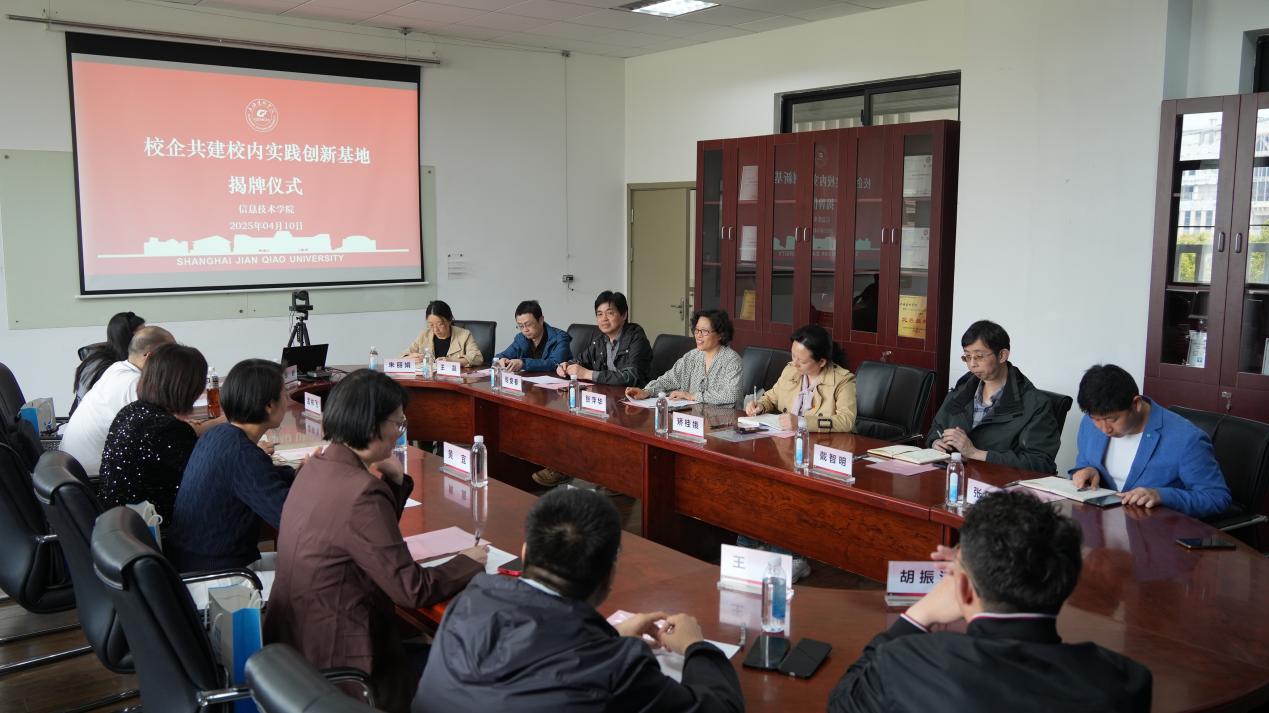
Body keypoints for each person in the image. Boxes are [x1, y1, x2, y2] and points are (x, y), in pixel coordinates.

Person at [263, 369, 487, 713]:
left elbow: (365, 537)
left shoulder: (315, 467)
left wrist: (395, 482)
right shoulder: (361, 492)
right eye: (398, 423)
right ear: (372, 426)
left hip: (297, 648)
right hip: (344, 666)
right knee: (468, 675)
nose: (400, 432)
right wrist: (469, 561)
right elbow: (412, 590)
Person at [412, 487, 743, 713]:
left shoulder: (473, 599)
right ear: (609, 576)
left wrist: (609, 637)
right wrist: (697, 647)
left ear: (525, 553)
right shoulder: (616, 666)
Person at [827, 490, 1153, 713]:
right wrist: (971, 569)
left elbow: (843, 701)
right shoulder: (1126, 682)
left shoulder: (907, 663)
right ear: (1065, 581)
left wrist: (919, 614)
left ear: (964, 589)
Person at [167, 359, 296, 573]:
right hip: (218, 575)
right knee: (319, 575)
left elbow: (261, 478)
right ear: (269, 405)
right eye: (284, 394)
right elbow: (291, 519)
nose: (288, 400)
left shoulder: (219, 434)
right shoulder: (242, 453)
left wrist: (299, 474)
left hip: (194, 561)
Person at [1069, 364, 1231, 518]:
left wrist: (1161, 496)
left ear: (1136, 404)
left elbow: (1216, 498)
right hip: (1100, 525)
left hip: (1154, 530)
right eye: (1096, 419)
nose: (1104, 429)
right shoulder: (1089, 423)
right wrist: (1086, 470)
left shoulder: (1186, 439)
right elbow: (1083, 464)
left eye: (1112, 419)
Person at [924, 320, 1061, 473]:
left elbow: (1041, 463)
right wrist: (935, 442)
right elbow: (936, 429)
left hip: (1001, 483)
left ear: (1002, 355)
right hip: (956, 476)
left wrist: (975, 453)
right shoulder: (962, 390)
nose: (972, 364)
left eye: (979, 356)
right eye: (967, 357)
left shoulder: (1035, 404)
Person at [97, 343, 207, 524]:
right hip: (154, 526)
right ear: (189, 388)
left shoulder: (131, 411)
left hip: (118, 526)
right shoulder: (168, 429)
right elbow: (208, 479)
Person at [60, 326, 173, 476]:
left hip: (70, 467)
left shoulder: (116, 369)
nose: (174, 361)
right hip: (94, 477)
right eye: (171, 355)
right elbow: (163, 434)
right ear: (149, 356)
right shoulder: (134, 384)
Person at [745, 324, 857, 433]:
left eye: (802, 361)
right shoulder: (791, 370)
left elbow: (846, 421)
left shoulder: (843, 381)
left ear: (822, 362)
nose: (795, 363)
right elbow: (771, 398)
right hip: (788, 438)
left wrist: (803, 422)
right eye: (793, 356)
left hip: (825, 442)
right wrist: (760, 405)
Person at [625, 309, 743, 406]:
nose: (698, 335)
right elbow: (669, 379)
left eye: (704, 331)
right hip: (693, 416)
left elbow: (731, 394)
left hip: (723, 420)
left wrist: (692, 396)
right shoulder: (692, 356)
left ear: (720, 335)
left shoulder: (731, 360)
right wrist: (647, 391)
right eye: (697, 330)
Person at [556, 290, 652, 387]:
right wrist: (566, 366)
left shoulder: (636, 338)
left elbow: (632, 377)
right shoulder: (600, 340)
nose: (604, 319)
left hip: (634, 394)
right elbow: (581, 360)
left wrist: (587, 374)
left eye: (610, 313)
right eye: (600, 314)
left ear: (624, 315)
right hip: (607, 393)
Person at [70, 311, 145, 414]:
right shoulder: (106, 367)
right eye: (142, 334)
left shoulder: (111, 355)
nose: (147, 338)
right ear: (127, 337)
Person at [492, 300, 571, 373]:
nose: (525, 330)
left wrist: (523, 363)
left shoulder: (560, 338)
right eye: (521, 326)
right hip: (529, 382)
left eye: (528, 325)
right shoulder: (521, 338)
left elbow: (555, 363)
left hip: (556, 382)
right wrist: (501, 360)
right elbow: (500, 356)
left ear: (541, 320)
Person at [402, 300, 483, 366]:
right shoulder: (424, 335)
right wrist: (409, 358)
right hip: (430, 378)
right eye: (431, 325)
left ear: (449, 320)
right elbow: (402, 356)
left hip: (455, 379)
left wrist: (452, 361)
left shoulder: (464, 335)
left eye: (440, 324)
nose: (435, 329)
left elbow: (478, 358)